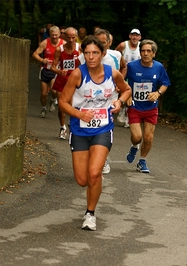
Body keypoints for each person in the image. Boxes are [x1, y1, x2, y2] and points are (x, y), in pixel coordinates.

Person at [59, 36, 131, 231]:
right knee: (82, 180)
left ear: (103, 54)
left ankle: (90, 214)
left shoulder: (112, 73)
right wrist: (79, 114)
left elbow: (126, 90)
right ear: (83, 54)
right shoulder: (77, 74)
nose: (91, 57)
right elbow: (63, 102)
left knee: (93, 172)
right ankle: (96, 180)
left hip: (103, 129)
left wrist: (119, 102)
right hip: (80, 130)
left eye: (95, 53)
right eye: (87, 53)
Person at [78, 29, 127, 174]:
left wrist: (120, 83)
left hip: (108, 98)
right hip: (88, 98)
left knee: (106, 126)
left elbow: (124, 67)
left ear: (109, 43)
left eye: (103, 42)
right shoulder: (83, 57)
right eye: (97, 42)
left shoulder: (116, 55)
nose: (100, 45)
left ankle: (103, 157)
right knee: (88, 126)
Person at [125, 39, 170, 173]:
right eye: (143, 51)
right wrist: (127, 94)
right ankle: (134, 146)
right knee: (137, 137)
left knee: (148, 138)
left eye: (148, 51)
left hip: (151, 107)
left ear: (154, 53)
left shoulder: (159, 67)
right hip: (135, 107)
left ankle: (142, 161)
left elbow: (165, 83)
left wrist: (158, 93)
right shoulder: (131, 66)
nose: (145, 53)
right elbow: (122, 80)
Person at [51, 27, 81, 139]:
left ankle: (73, 125)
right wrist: (59, 71)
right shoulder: (60, 50)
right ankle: (63, 127)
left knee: (74, 106)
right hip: (62, 80)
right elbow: (52, 67)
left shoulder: (80, 48)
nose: (71, 40)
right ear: (64, 37)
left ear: (76, 37)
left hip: (75, 80)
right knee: (61, 107)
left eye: (73, 37)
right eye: (69, 37)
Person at [32, 26, 65, 118]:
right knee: (44, 93)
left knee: (54, 91)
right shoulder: (45, 42)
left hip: (56, 70)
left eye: (56, 35)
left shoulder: (63, 44)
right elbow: (35, 54)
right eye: (52, 35)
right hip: (45, 69)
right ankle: (43, 108)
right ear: (49, 35)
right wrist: (42, 60)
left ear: (59, 35)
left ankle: (53, 100)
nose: (54, 37)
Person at [116, 28, 142, 127]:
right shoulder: (123, 45)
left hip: (136, 74)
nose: (134, 37)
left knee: (133, 93)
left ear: (140, 37)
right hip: (125, 72)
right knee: (124, 92)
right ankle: (123, 110)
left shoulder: (141, 46)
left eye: (137, 35)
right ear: (130, 36)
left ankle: (127, 116)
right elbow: (116, 55)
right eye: (133, 35)